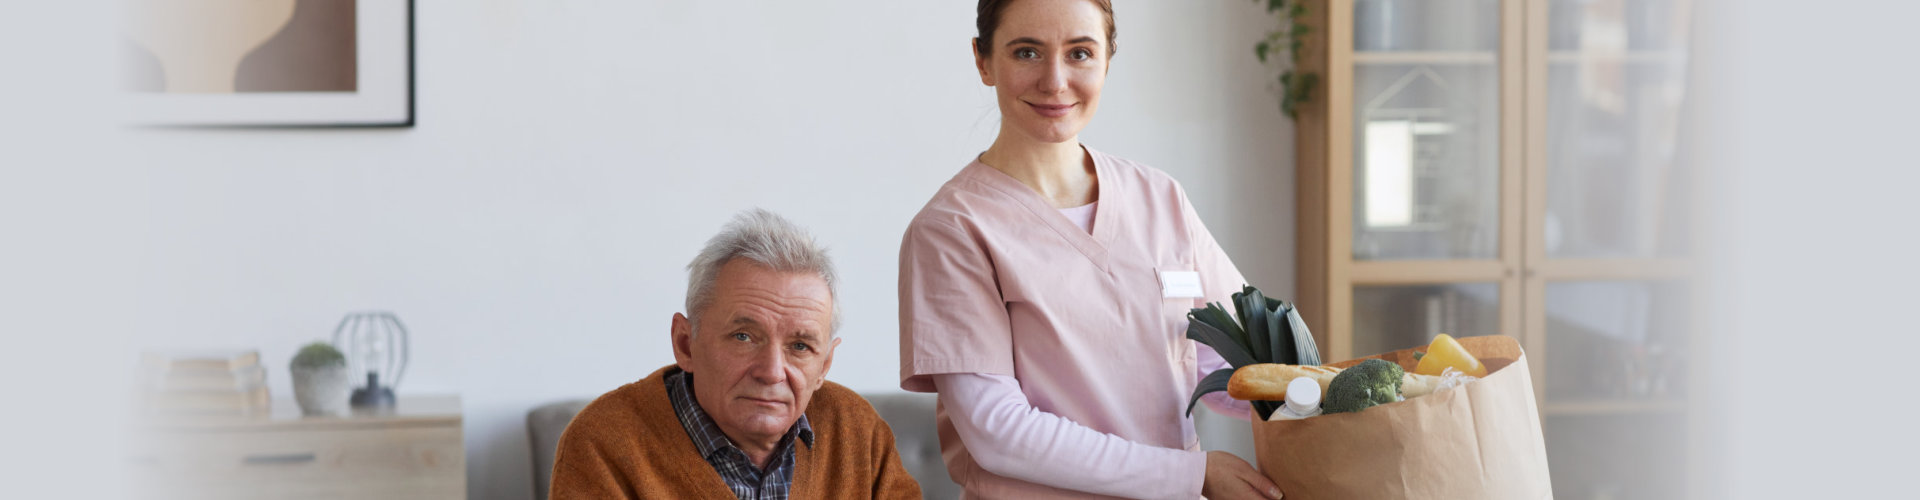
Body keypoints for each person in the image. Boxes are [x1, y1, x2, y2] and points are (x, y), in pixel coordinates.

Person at [896, 1, 1285, 498]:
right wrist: (1193, 474)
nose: (1055, 81)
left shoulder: (1159, 197)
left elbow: (1244, 367)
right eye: (1027, 52)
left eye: (1080, 53)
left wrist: (1331, 396)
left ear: (1107, 59)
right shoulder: (952, 230)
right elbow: (997, 432)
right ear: (983, 60)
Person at [553, 209, 922, 499]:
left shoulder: (857, 430)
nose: (772, 371)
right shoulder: (604, 443)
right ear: (685, 343)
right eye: (743, 336)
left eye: (800, 347)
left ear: (825, 364)